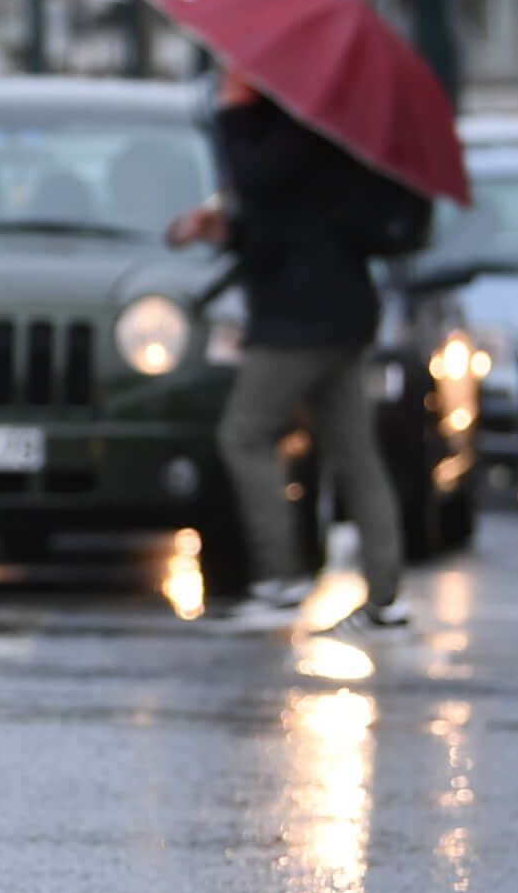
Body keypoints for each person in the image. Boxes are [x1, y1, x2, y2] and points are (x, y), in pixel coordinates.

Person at [165, 70, 416, 638]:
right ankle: (385, 599)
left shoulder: (288, 130)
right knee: (354, 451)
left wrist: (233, 113)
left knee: (245, 434)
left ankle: (280, 580)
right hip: (336, 313)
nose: (227, 74)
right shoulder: (313, 129)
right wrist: (225, 233)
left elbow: (260, 187)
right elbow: (279, 227)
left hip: (298, 320)